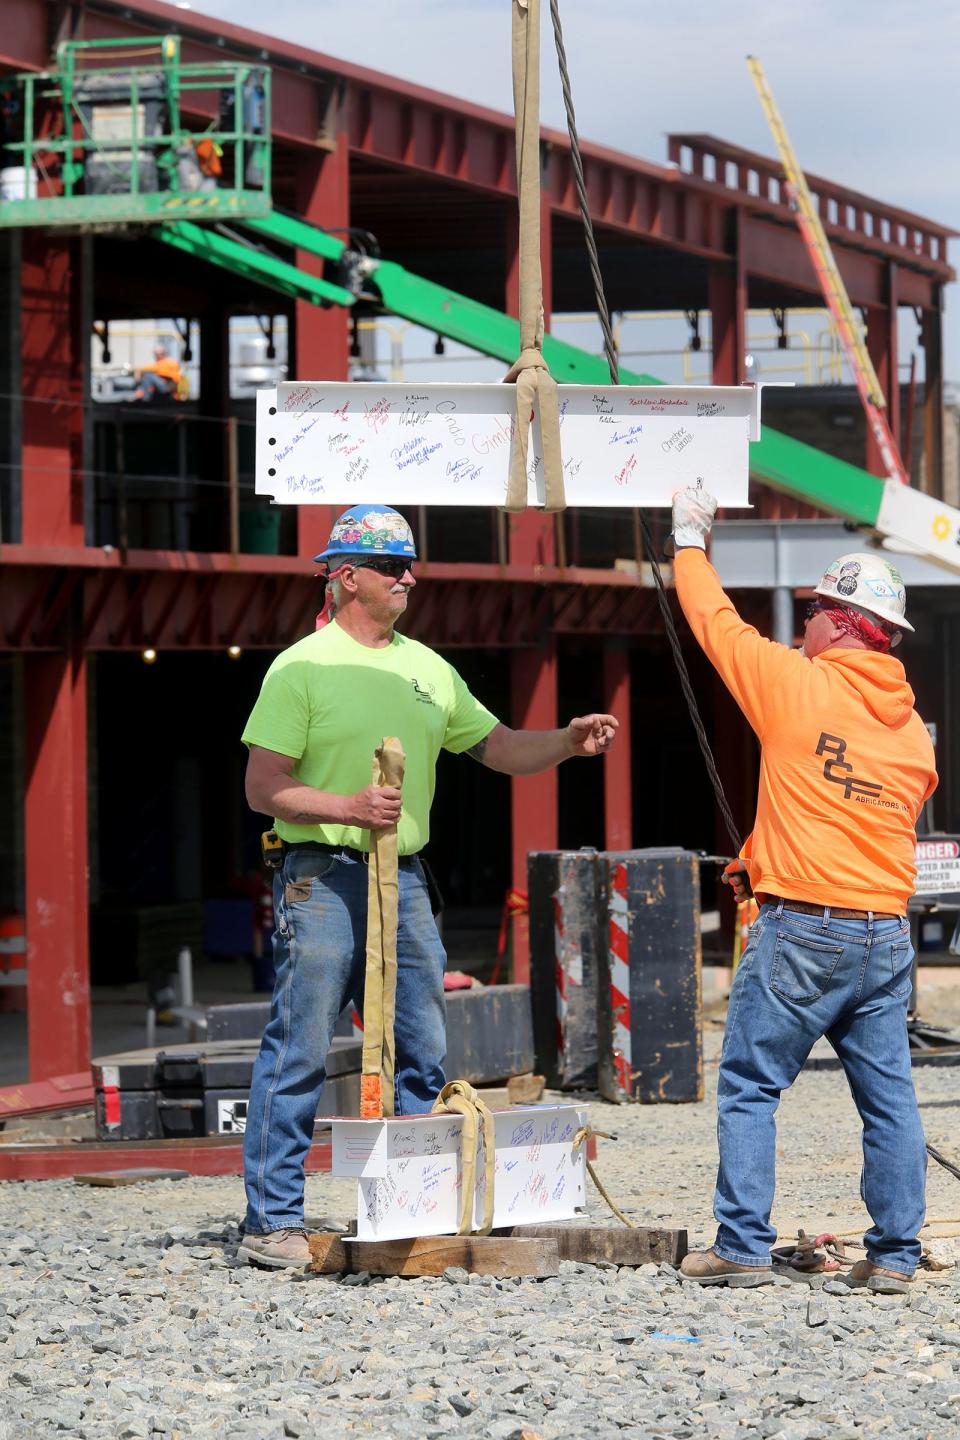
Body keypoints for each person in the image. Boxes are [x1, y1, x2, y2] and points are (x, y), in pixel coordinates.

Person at [237, 503, 618, 1269]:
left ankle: (415, 1206)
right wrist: (345, 805)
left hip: (402, 879)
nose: (409, 577)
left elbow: (502, 747)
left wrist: (566, 745)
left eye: (410, 564)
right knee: (301, 1043)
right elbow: (261, 786)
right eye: (391, 567)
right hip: (322, 875)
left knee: (424, 1044)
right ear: (347, 579)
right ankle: (270, 1221)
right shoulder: (299, 668)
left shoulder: (427, 668)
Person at [669, 487, 937, 1294]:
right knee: (888, 1100)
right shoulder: (914, 738)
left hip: (801, 932)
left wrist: (689, 535)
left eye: (817, 610)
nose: (805, 621)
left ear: (844, 624)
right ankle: (893, 1257)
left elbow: (713, 621)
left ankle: (742, 1246)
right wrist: (765, 849)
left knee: (750, 1085)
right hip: (884, 935)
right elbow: (855, 817)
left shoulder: (796, 685)